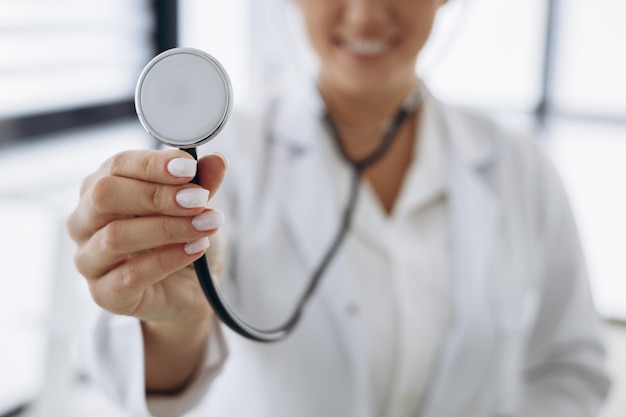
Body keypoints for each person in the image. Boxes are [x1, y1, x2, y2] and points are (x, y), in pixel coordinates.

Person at [67, 0, 611, 416]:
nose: (366, 15)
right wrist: (179, 324)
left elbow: (572, 368)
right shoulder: (213, 169)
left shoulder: (521, 166)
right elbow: (137, 382)